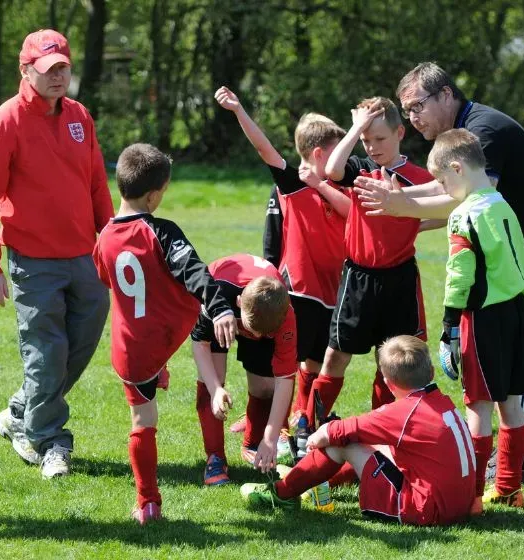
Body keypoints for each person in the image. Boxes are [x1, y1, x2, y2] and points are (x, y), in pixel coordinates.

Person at [354, 63, 524, 484]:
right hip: (510, 263)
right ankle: (516, 443)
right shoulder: (458, 136)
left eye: (418, 106)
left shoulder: (483, 131)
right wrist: (398, 197)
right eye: (406, 111)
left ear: (446, 95)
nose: (413, 117)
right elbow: (446, 188)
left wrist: (400, 206)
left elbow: (470, 198)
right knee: (510, 350)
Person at [0, 29, 115, 479]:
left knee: (81, 343)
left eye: (63, 69)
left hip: (85, 256)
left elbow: (95, 183)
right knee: (46, 352)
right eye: (48, 70)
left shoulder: (79, 117)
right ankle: (49, 440)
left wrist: (110, 240)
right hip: (33, 262)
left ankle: (19, 411)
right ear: (25, 69)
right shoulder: (4, 122)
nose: (57, 77)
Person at [92, 143, 236, 524]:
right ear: (154, 194)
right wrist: (218, 305)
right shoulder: (162, 231)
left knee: (142, 420)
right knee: (146, 417)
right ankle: (148, 498)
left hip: (131, 349)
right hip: (168, 332)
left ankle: (148, 504)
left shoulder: (104, 236)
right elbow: (194, 270)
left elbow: (107, 277)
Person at [214, 86, 347, 425]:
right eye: (338, 152)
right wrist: (239, 110)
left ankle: (302, 419)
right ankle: (265, 421)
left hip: (336, 291)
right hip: (299, 291)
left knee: (315, 363)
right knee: (282, 365)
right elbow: (264, 148)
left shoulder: (345, 187)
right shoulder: (295, 184)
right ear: (319, 155)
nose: (345, 159)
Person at [241, 335, 477, 525]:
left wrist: (314, 438)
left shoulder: (405, 412)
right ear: (432, 373)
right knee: (374, 442)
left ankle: (281, 494)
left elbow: (335, 432)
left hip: (425, 510)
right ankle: (320, 482)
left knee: (342, 443)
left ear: (388, 383)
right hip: (459, 505)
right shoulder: (443, 402)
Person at [304, 96, 433, 429]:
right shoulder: (361, 170)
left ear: (400, 132)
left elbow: (446, 208)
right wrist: (357, 127)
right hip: (359, 279)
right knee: (335, 356)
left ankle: (383, 429)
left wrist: (413, 219)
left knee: (391, 362)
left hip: (400, 281)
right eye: (366, 140)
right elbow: (332, 169)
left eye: (380, 138)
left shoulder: (419, 177)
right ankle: (309, 425)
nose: (372, 146)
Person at [430, 129, 524, 507]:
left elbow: (460, 274)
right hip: (517, 315)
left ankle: (470, 497)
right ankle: (509, 489)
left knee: (477, 406)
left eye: (442, 180)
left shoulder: (462, 215)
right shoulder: (503, 203)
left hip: (483, 319)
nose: (442, 189)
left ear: (457, 168)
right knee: (513, 405)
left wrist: (448, 326)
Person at [191, 253, 298, 481]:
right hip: (225, 312)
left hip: (254, 315)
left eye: (264, 334)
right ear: (239, 303)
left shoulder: (284, 315)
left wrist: (270, 437)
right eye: (252, 330)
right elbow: (200, 344)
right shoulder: (216, 295)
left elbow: (285, 379)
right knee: (213, 381)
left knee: (265, 387)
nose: (257, 336)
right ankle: (215, 458)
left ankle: (253, 444)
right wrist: (215, 389)